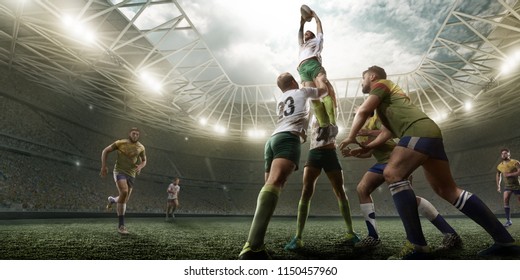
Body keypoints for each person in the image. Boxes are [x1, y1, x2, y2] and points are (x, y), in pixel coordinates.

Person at [338, 65, 520, 259]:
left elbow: (364, 110)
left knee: (392, 173)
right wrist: (366, 147)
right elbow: (388, 132)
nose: (362, 81)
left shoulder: (381, 84)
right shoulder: (389, 102)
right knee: (447, 190)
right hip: (427, 133)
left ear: (372, 76)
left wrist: (350, 136)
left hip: (418, 131)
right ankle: (504, 241)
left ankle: (418, 247)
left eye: (363, 77)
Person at [238, 72, 327, 260]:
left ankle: (257, 244)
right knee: (274, 184)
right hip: (288, 139)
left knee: (270, 187)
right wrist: (321, 77)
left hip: (272, 140)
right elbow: (323, 92)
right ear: (294, 82)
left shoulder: (281, 99)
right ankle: (252, 246)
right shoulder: (302, 92)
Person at [343, 112, 462, 250]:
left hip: (397, 159)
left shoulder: (376, 118)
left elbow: (388, 132)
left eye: (359, 113)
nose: (356, 116)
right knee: (362, 189)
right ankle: (373, 237)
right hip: (382, 163)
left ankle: (449, 233)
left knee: (410, 200)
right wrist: (356, 153)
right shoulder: (360, 132)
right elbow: (370, 152)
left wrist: (368, 131)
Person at [284, 112, 359, 251]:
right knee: (306, 191)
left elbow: (329, 96)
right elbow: (303, 132)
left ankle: (350, 232)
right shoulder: (310, 113)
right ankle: (298, 237)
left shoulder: (332, 110)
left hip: (330, 153)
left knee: (340, 191)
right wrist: (300, 134)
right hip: (314, 153)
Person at [298, 7, 338, 142]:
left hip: (314, 65)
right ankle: (324, 126)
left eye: (308, 33)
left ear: (313, 36)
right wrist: (302, 22)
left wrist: (315, 16)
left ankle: (332, 124)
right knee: (312, 97)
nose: (305, 34)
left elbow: (319, 27)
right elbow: (299, 32)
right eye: (305, 34)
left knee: (324, 92)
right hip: (303, 69)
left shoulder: (317, 41)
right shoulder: (302, 45)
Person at [101, 127, 147, 235]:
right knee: (124, 192)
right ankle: (121, 226)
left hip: (131, 174)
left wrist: (140, 166)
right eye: (133, 133)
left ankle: (112, 199)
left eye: (137, 134)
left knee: (124, 200)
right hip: (119, 171)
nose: (135, 135)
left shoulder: (141, 147)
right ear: (129, 134)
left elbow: (144, 161)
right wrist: (103, 166)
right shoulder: (120, 143)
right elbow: (105, 151)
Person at [496, 148, 520, 227]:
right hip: (508, 186)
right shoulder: (500, 166)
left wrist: (510, 175)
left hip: (517, 185)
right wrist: (498, 185)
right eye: (502, 153)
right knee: (505, 200)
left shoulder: (515, 162)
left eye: (505, 153)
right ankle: (508, 221)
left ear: (509, 154)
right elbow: (498, 175)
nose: (504, 155)